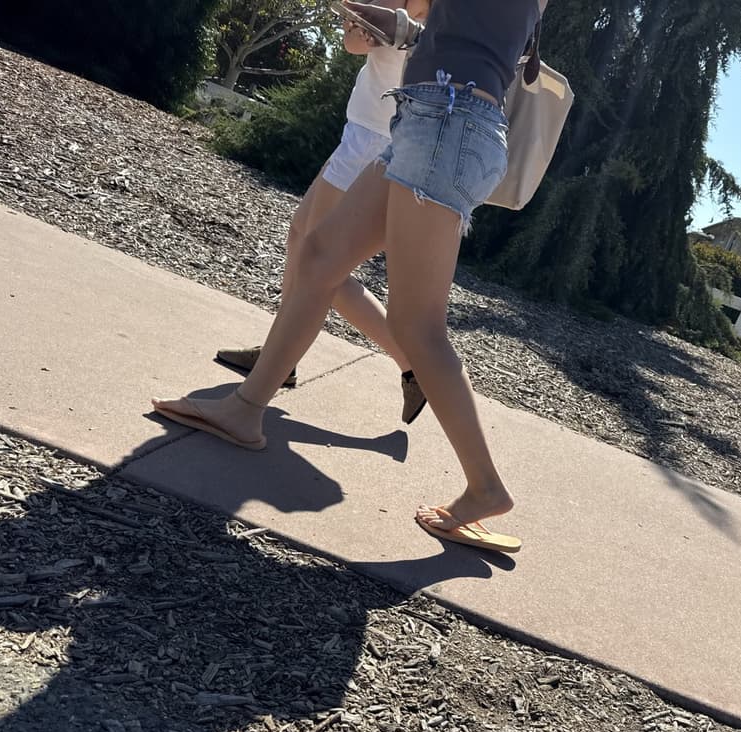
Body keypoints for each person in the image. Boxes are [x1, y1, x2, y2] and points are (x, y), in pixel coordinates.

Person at [154, 0, 543, 553]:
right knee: (319, 257)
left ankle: (485, 487)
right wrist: (401, 27)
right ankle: (245, 410)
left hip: (447, 123)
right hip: (433, 117)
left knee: (418, 326)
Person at [215, 0, 431, 425]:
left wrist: (353, 20)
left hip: (370, 139)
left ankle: (413, 365)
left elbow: (355, 41)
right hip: (375, 132)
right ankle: (280, 355)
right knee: (301, 236)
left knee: (321, 264)